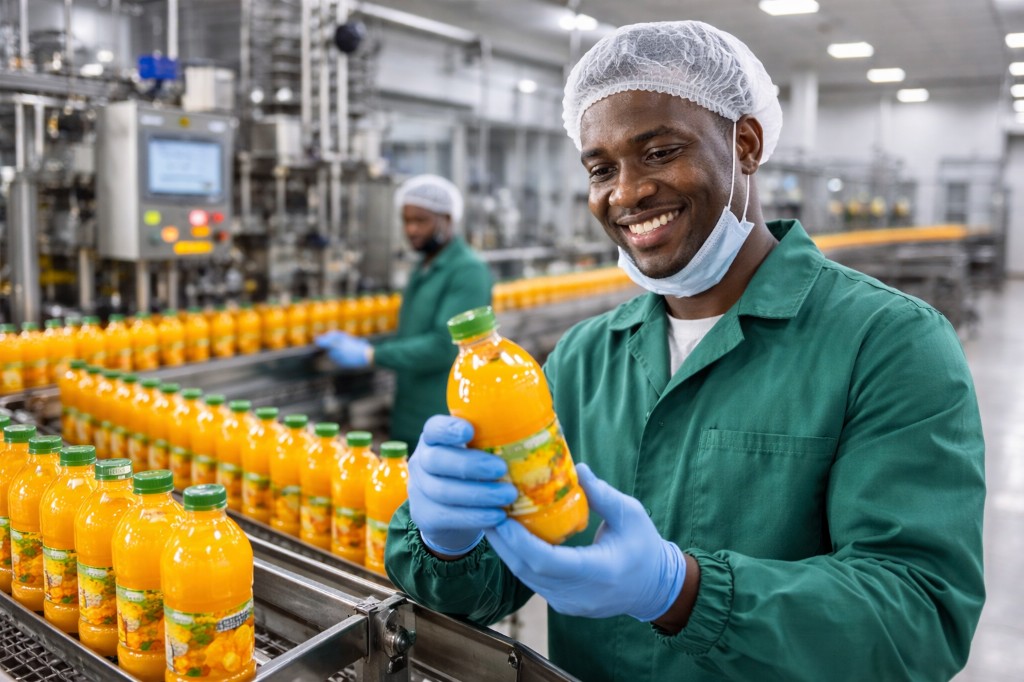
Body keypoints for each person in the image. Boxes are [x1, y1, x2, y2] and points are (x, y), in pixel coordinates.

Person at [384, 20, 985, 681]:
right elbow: (489, 588)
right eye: (601, 168)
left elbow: (921, 618)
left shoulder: (888, 344)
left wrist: (685, 592)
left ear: (746, 144)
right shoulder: (586, 358)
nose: (627, 192)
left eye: (661, 152)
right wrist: (449, 546)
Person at [316, 174, 492, 445]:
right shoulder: (423, 266)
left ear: (446, 219)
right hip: (409, 412)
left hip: (444, 413)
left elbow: (445, 346)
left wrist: (370, 354)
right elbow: (413, 333)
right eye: (407, 221)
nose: (411, 229)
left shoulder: (468, 270)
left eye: (420, 220)